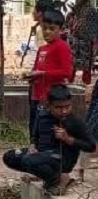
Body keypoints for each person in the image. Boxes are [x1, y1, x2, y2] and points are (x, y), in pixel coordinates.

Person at [4, 84, 96, 195]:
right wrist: (32, 145)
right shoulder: (42, 117)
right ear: (49, 106)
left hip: (61, 159)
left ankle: (57, 179)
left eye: (67, 107)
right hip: (42, 154)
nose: (64, 111)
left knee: (28, 160)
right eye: (58, 108)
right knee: (9, 157)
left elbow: (91, 146)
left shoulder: (75, 122)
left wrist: (68, 139)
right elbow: (35, 135)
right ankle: (44, 175)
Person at [27, 9, 74, 146]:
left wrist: (43, 74)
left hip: (52, 98)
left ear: (60, 29)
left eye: (52, 29)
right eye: (45, 28)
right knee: (35, 128)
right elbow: (36, 69)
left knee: (48, 131)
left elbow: (67, 72)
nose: (47, 32)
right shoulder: (42, 49)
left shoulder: (62, 47)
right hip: (37, 95)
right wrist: (31, 76)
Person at [68, 0, 98, 84]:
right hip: (75, 39)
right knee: (72, 61)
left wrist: (94, 40)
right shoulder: (75, 10)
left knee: (87, 63)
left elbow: (94, 26)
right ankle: (70, 81)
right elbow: (70, 23)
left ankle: (86, 84)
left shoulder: (91, 10)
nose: (77, 0)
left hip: (87, 40)